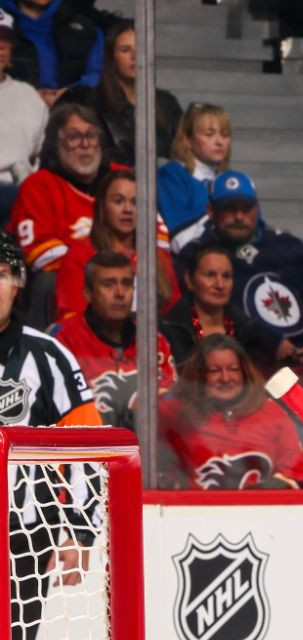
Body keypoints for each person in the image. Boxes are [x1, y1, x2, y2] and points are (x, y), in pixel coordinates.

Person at [0, 232, 101, 640]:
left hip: (22, 540)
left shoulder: (46, 355)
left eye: (2, 273)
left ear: (19, 283)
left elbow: (87, 444)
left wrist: (79, 530)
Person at [178, 171, 303, 381]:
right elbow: (207, 312)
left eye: (246, 208)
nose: (239, 217)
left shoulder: (287, 245)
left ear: (257, 208)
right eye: (230, 209)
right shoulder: (197, 254)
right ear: (211, 211)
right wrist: (270, 341)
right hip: (245, 368)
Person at [159, 333, 303, 490]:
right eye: (214, 371)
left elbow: (296, 476)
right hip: (194, 505)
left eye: (233, 369)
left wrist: (258, 495)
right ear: (198, 375)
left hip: (261, 505)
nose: (225, 378)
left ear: (244, 373)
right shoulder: (175, 411)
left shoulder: (271, 412)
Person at [50, 249, 174, 429]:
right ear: (88, 293)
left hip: (148, 442)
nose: (120, 293)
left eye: (127, 284)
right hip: (87, 441)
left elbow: (173, 407)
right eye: (108, 285)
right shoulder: (61, 339)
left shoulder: (153, 340)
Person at [51, 167, 174, 327]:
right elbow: (72, 321)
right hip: (96, 340)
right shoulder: (81, 255)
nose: (128, 209)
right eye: (118, 201)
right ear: (102, 207)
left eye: (135, 202)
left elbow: (174, 316)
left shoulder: (159, 257)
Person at [54, 21, 180, 167]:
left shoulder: (167, 103)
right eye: (125, 50)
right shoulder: (87, 100)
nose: (135, 56)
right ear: (112, 57)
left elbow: (182, 155)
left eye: (141, 49)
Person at [9, 103, 109, 274]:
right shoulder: (38, 186)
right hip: (69, 278)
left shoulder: (121, 179)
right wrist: (99, 273)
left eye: (91, 135)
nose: (85, 144)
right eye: (74, 137)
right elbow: (39, 252)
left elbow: (154, 239)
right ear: (55, 145)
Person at [162, 236, 276, 371]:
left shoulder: (251, 333)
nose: (220, 285)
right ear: (189, 280)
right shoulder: (169, 331)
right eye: (210, 275)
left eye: (226, 276)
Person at [156, 101, 230, 250]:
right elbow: (181, 241)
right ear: (187, 140)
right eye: (209, 134)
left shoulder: (231, 181)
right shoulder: (171, 176)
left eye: (225, 134)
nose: (219, 142)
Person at [2, 0, 102, 102]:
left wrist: (67, 93)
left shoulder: (87, 28)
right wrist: (26, 96)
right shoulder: (4, 25)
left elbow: (98, 75)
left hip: (72, 107)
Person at [0, 13, 49, 218]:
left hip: (22, 197)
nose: (1, 47)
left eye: (5, 40)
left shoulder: (28, 96)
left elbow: (44, 155)